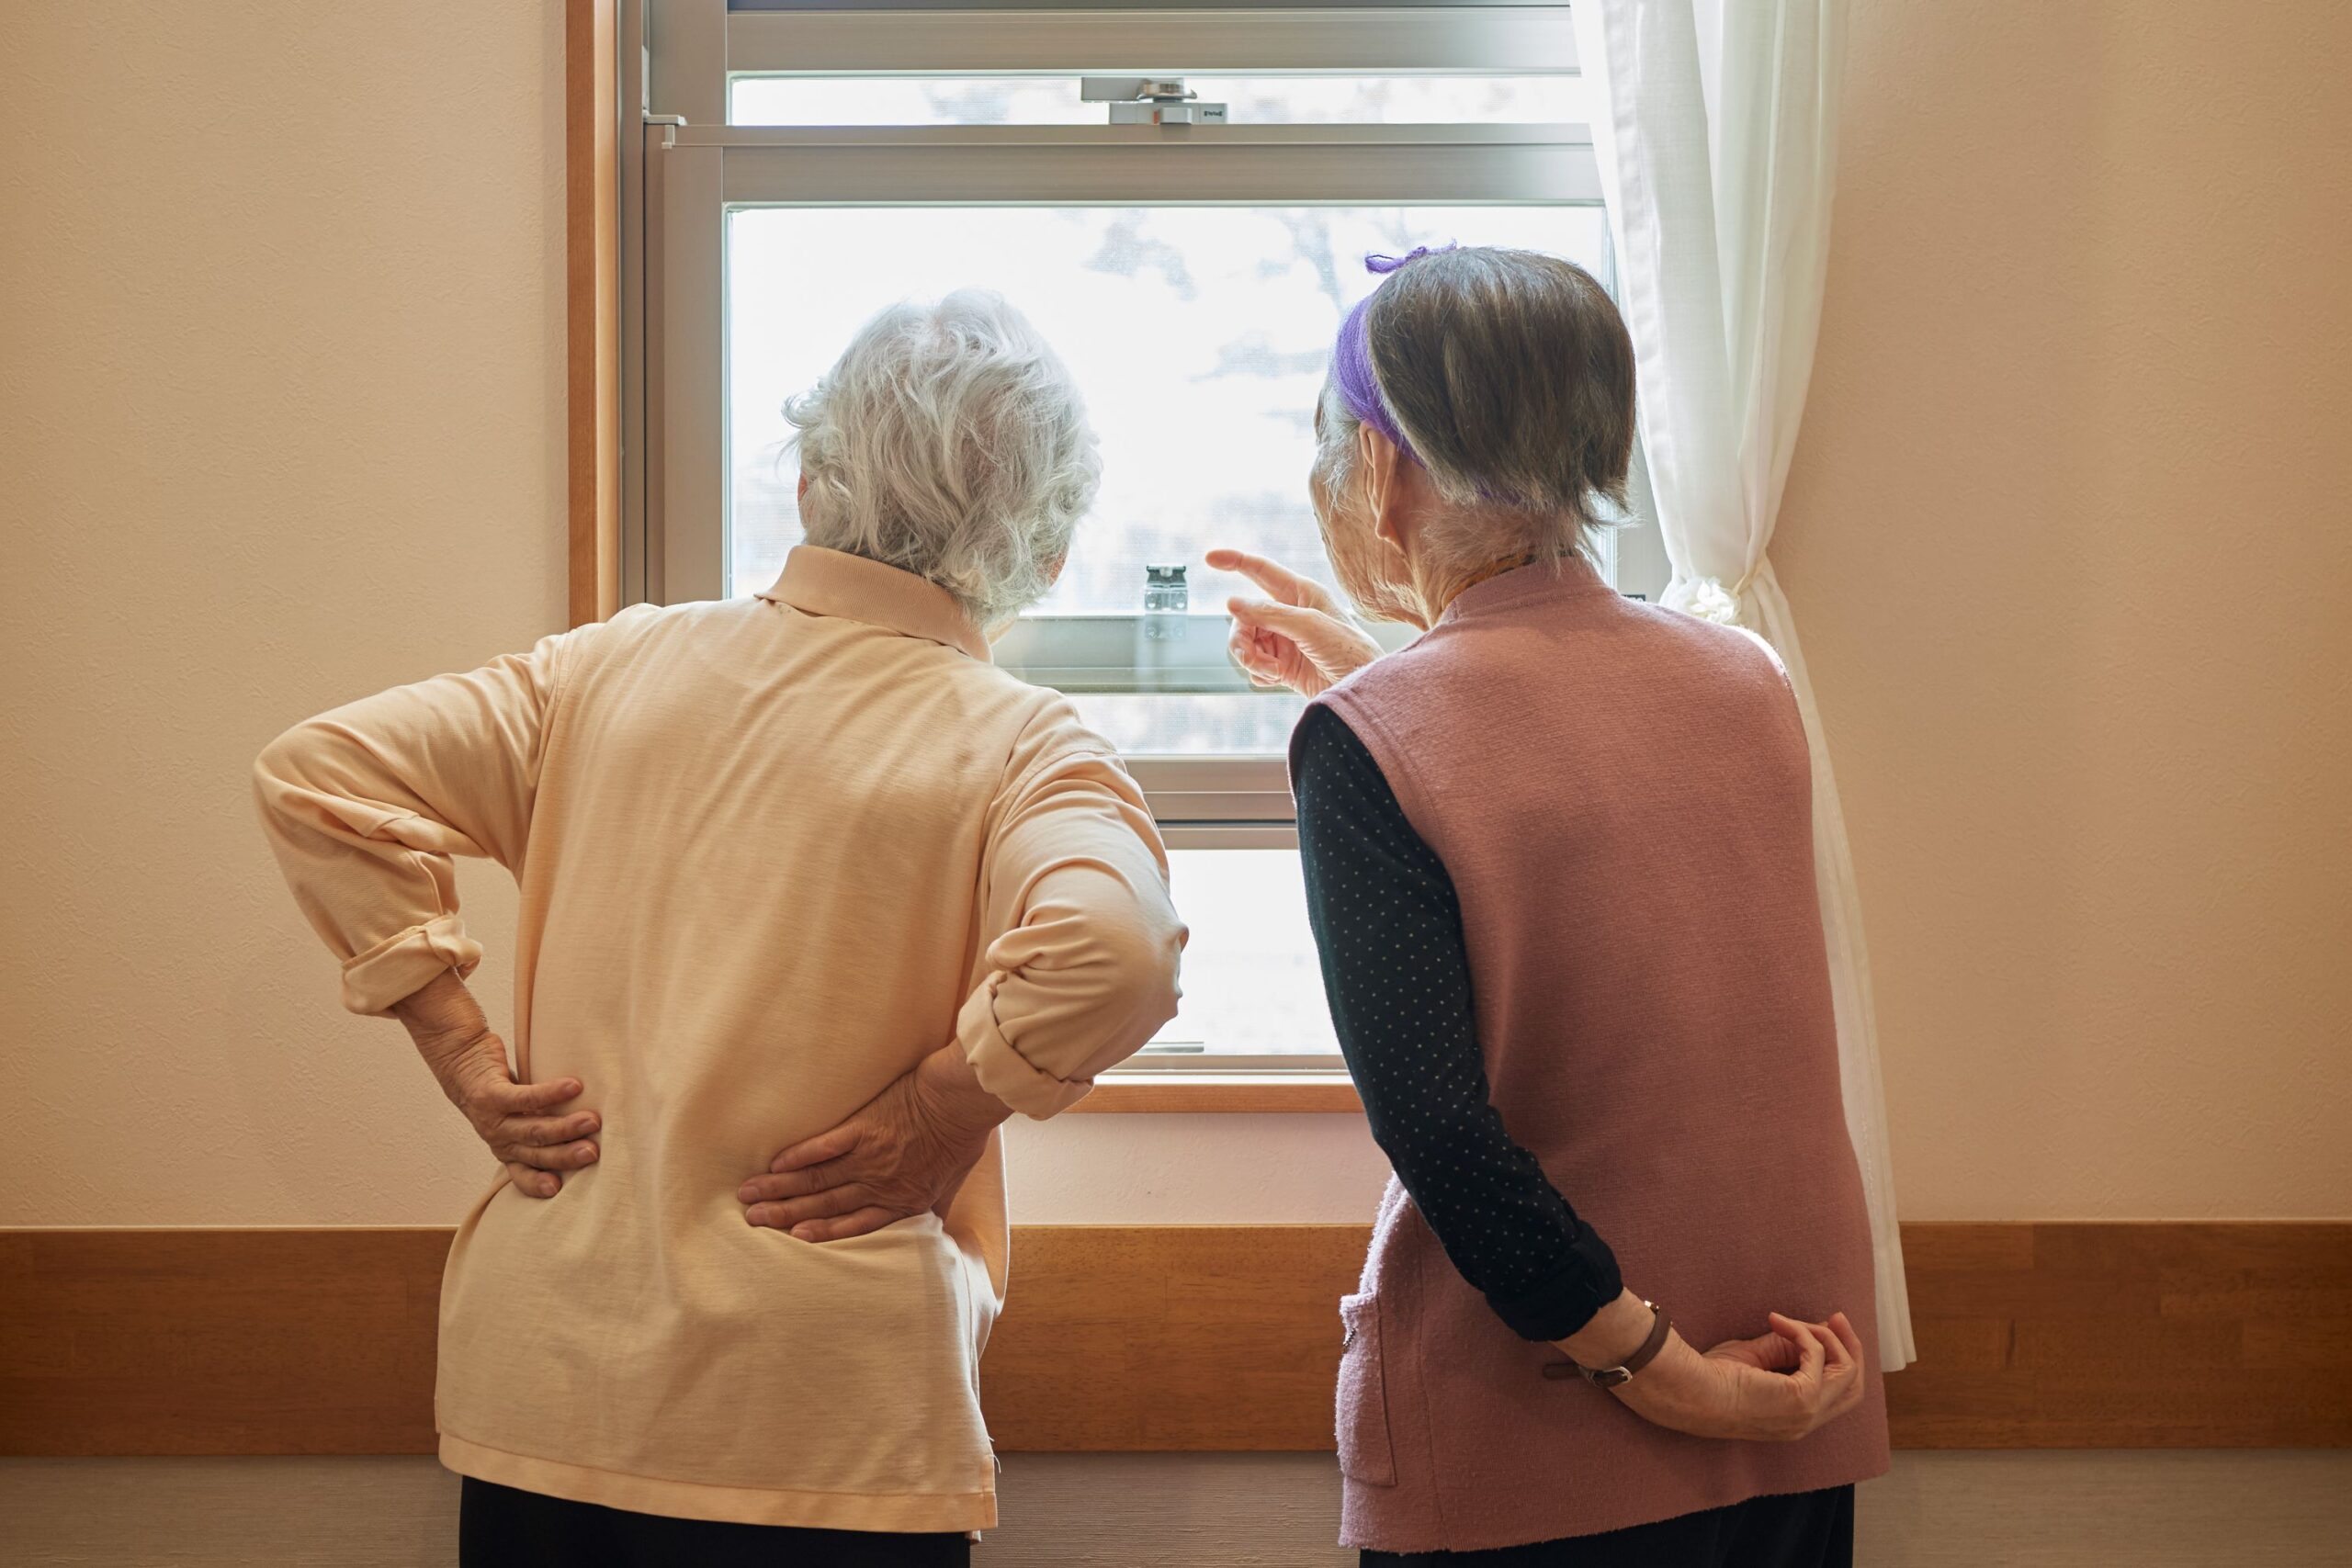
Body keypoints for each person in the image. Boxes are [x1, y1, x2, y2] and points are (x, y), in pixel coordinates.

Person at [254, 291, 1184, 1567]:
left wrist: (460, 1047)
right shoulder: (1019, 743)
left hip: (550, 1381)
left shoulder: (601, 673)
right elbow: (1119, 951)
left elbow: (317, 773)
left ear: (810, 485)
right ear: (1047, 550)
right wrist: (945, 1108)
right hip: (831, 1415)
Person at [1214, 245, 1891, 1567]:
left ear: (1379, 467)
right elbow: (1568, 783)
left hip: (1544, 1443)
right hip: (1791, 1397)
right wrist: (1383, 680)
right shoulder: (1744, 680)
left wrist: (1665, 1373)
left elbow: (1444, 1139)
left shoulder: (1375, 739)